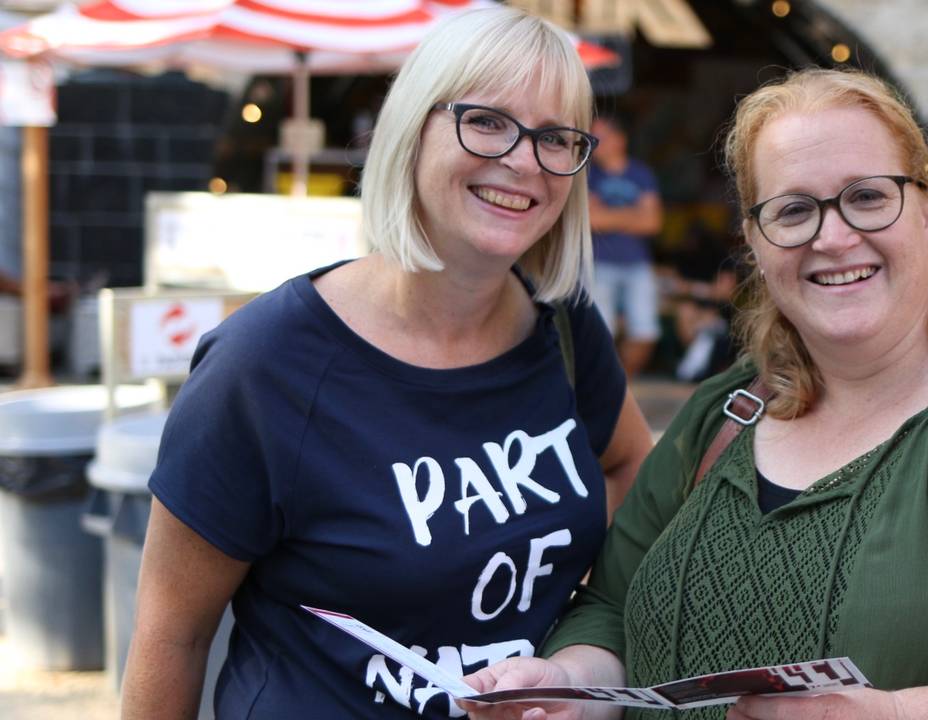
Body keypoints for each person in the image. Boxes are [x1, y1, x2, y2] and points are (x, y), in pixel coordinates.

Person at [464, 67, 928, 719]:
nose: (832, 236)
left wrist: (903, 713)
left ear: (927, 212)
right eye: (792, 210)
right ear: (756, 244)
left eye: (866, 197)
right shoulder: (725, 415)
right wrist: (565, 680)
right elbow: (612, 610)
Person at [120, 7, 652, 719]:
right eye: (487, 121)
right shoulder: (265, 366)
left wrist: (586, 644)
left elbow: (632, 471)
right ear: (411, 127)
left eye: (555, 137)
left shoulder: (563, 327)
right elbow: (172, 638)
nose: (524, 161)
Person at [587, 113, 663, 376]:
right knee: (600, 333)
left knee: (646, 331)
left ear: (620, 140)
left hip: (637, 264)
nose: (594, 143)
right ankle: (610, 387)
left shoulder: (640, 173)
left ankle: (621, 384)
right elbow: (590, 219)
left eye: (600, 137)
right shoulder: (586, 174)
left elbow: (652, 223)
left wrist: (608, 217)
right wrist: (634, 215)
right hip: (598, 263)